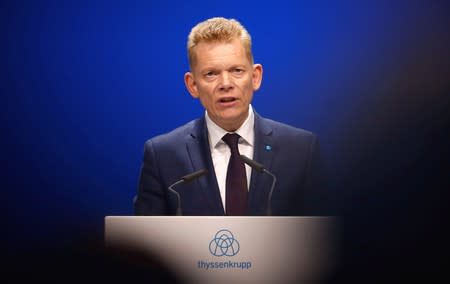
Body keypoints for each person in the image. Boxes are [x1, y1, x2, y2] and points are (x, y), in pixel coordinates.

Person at [134, 17, 324, 216]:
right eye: (211, 74)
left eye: (236, 70)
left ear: (255, 76)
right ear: (192, 85)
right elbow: (144, 242)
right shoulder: (163, 155)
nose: (226, 83)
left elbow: (325, 237)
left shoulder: (302, 150)